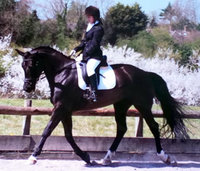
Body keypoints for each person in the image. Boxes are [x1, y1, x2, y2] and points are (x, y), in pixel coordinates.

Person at [70, 6, 104, 102]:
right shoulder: (90, 27)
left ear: (95, 17)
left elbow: (94, 44)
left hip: (95, 56)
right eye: (87, 17)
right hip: (87, 55)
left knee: (90, 69)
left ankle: (94, 92)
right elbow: (84, 42)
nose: (88, 19)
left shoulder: (99, 29)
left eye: (89, 17)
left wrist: (85, 53)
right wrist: (76, 49)